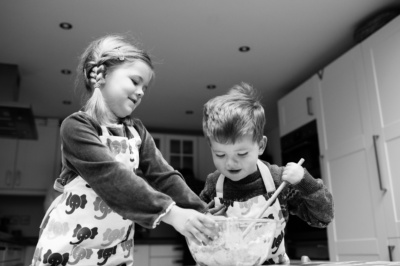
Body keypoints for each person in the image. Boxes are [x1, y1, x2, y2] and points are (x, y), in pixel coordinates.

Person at [30, 34, 218, 266]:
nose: (140, 92)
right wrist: (172, 213)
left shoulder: (136, 131)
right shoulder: (76, 127)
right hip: (67, 252)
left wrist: (205, 214)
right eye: (135, 81)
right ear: (101, 75)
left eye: (144, 87)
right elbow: (112, 177)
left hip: (114, 253)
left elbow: (165, 177)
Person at [199, 82, 334, 265]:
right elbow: (198, 230)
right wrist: (208, 220)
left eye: (242, 153)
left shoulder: (278, 179)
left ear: (261, 146)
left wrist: (305, 181)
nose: (230, 163)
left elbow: (323, 218)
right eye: (220, 154)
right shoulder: (214, 184)